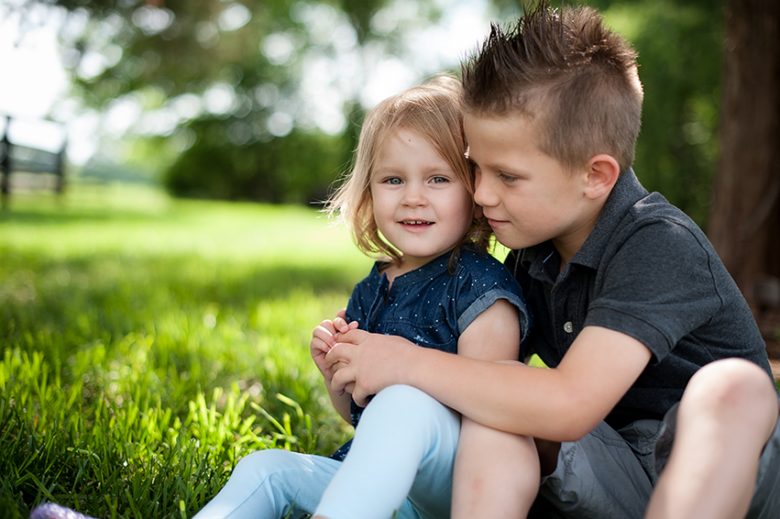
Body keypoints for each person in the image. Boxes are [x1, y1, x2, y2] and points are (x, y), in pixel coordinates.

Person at [326, 3, 780, 519]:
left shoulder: (658, 241)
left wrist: (403, 361)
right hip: (619, 472)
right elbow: (500, 395)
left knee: (735, 387)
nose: (481, 194)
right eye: (476, 169)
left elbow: (570, 403)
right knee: (497, 406)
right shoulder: (530, 252)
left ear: (595, 176)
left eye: (508, 177)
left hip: (738, 481)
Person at [192, 75, 530, 519]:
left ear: (474, 188)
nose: (413, 197)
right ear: (368, 189)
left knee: (406, 400)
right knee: (265, 467)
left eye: (437, 179)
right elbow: (361, 417)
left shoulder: (481, 288)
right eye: (393, 179)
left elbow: (492, 413)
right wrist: (337, 379)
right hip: (376, 487)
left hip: (460, 487)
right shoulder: (372, 289)